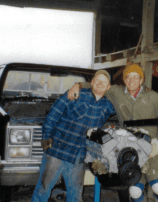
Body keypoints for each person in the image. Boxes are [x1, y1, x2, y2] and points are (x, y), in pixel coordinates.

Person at [67, 62, 158, 202]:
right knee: (134, 191)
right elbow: (99, 86)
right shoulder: (116, 92)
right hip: (130, 149)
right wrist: (77, 85)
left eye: (135, 77)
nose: (131, 80)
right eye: (128, 77)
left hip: (152, 146)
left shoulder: (153, 96)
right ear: (124, 79)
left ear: (142, 79)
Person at [31, 70, 115, 202]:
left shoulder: (108, 106)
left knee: (75, 197)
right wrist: (46, 147)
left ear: (109, 87)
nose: (100, 83)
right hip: (56, 152)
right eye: (97, 80)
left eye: (104, 82)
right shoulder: (75, 93)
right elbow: (52, 116)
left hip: (77, 157)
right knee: (42, 190)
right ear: (91, 82)